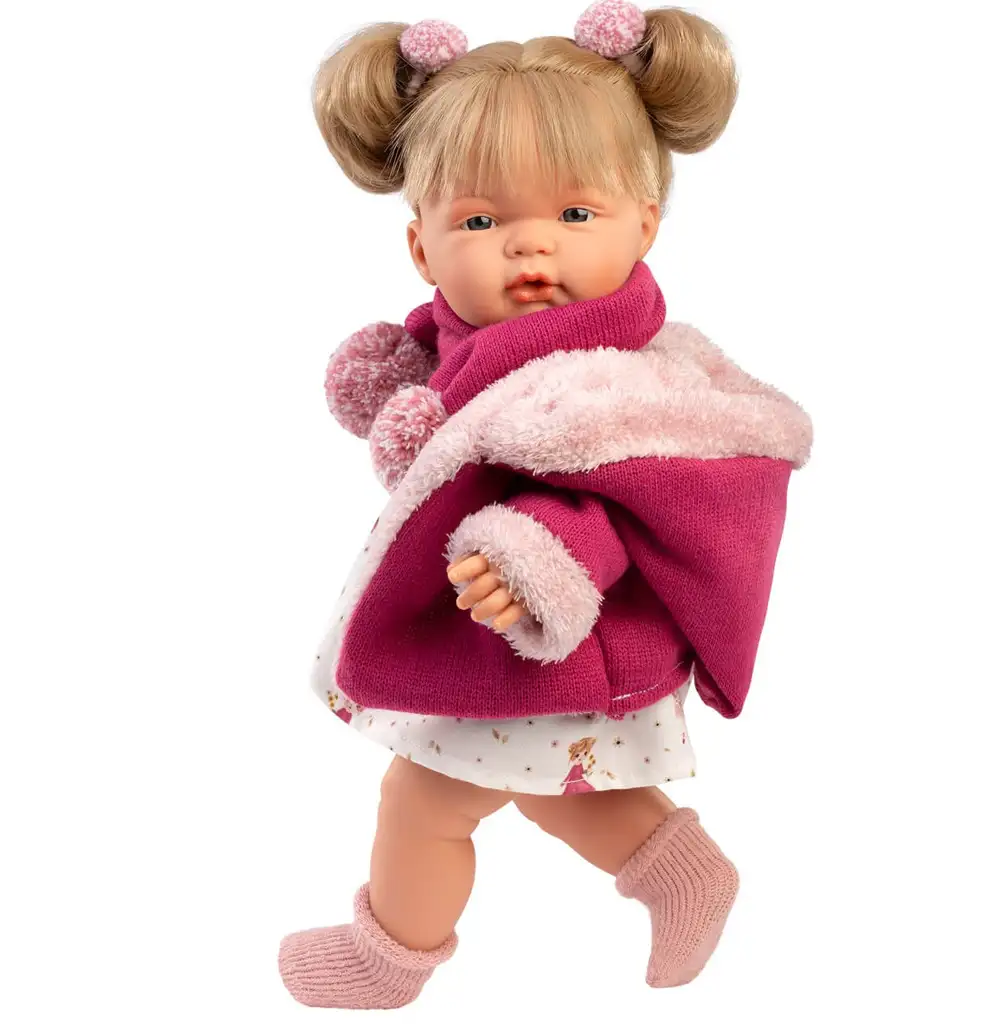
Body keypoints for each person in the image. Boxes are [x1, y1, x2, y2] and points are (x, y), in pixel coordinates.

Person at [280, 2, 812, 1009]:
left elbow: (639, 492)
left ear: (644, 222)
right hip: (502, 642)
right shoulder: (473, 349)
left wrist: (537, 554)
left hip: (545, 636)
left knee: (423, 801)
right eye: (481, 222)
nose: (530, 248)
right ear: (422, 248)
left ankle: (388, 960)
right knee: (549, 790)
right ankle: (678, 868)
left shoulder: (622, 381)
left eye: (575, 216)